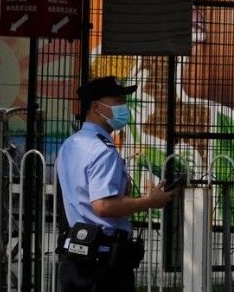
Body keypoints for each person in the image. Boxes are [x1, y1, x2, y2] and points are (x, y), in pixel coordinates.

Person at [56, 76, 175, 292]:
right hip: (103, 263)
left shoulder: (70, 144)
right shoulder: (102, 151)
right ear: (95, 107)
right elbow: (103, 206)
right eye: (117, 100)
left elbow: (81, 193)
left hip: (75, 256)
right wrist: (150, 201)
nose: (124, 106)